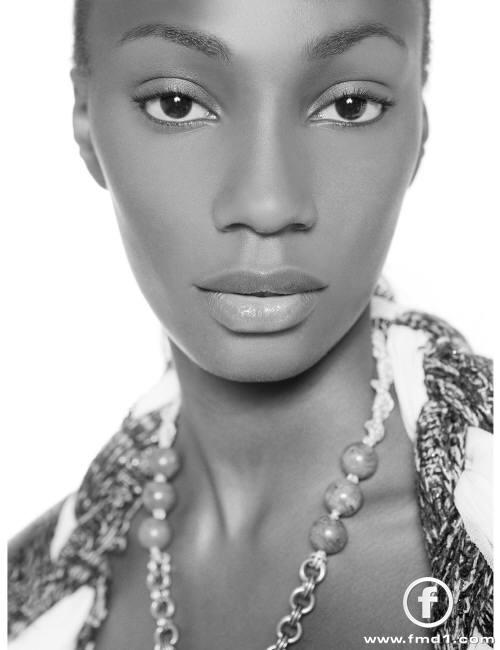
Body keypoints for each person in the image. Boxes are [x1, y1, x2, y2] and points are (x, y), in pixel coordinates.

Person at [8, 1, 493, 649]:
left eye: (350, 106)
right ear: (86, 122)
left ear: (419, 133)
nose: (268, 205)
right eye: (177, 103)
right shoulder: (30, 599)